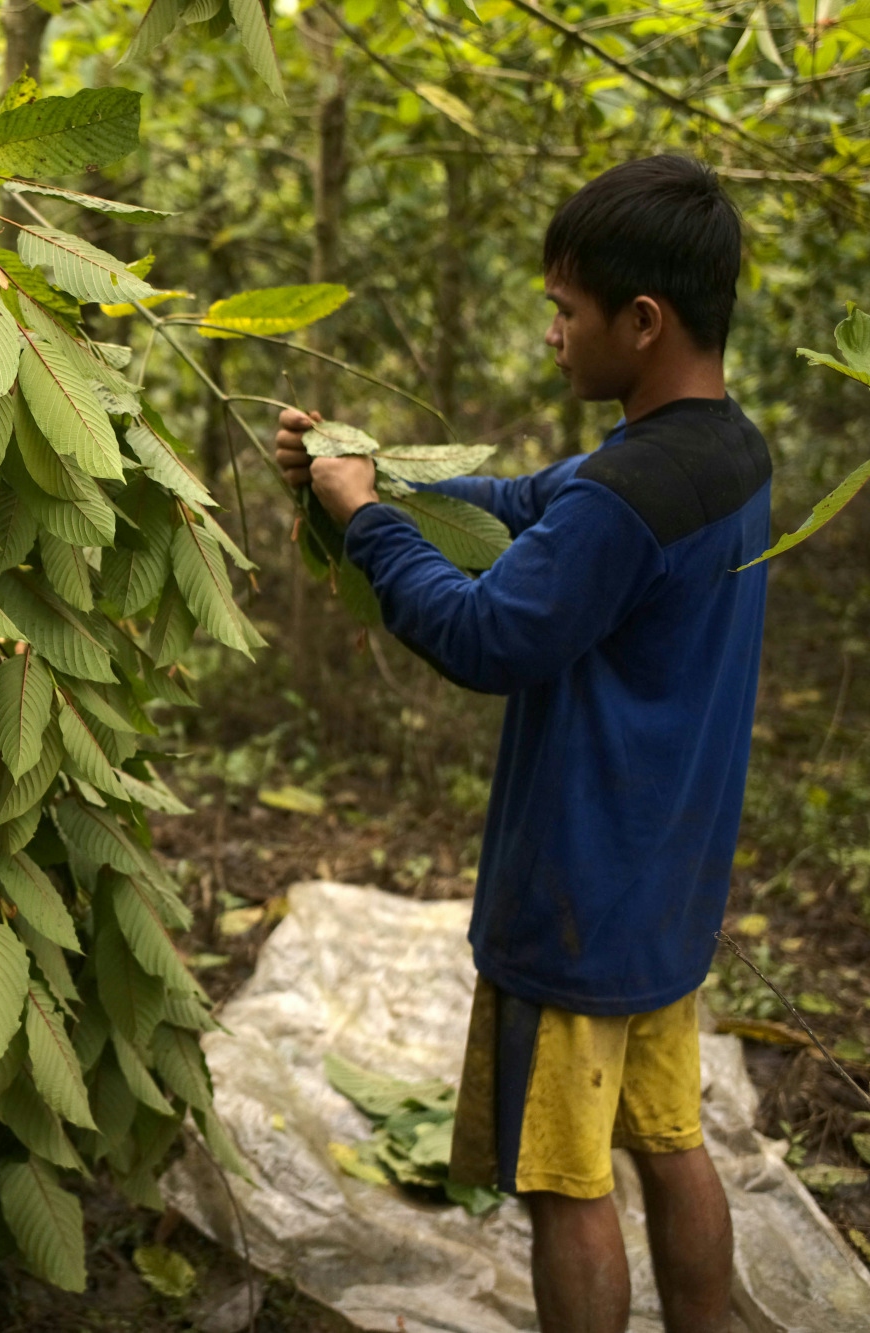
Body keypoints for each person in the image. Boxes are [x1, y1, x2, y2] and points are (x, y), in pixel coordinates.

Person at [276, 155, 757, 1333]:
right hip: (668, 882)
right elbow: (535, 501)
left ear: (639, 324)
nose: (552, 335)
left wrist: (363, 520)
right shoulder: (719, 451)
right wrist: (380, 477)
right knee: (668, 1135)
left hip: (578, 892)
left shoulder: (620, 494)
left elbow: (484, 635)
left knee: (563, 1183)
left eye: (564, 311)